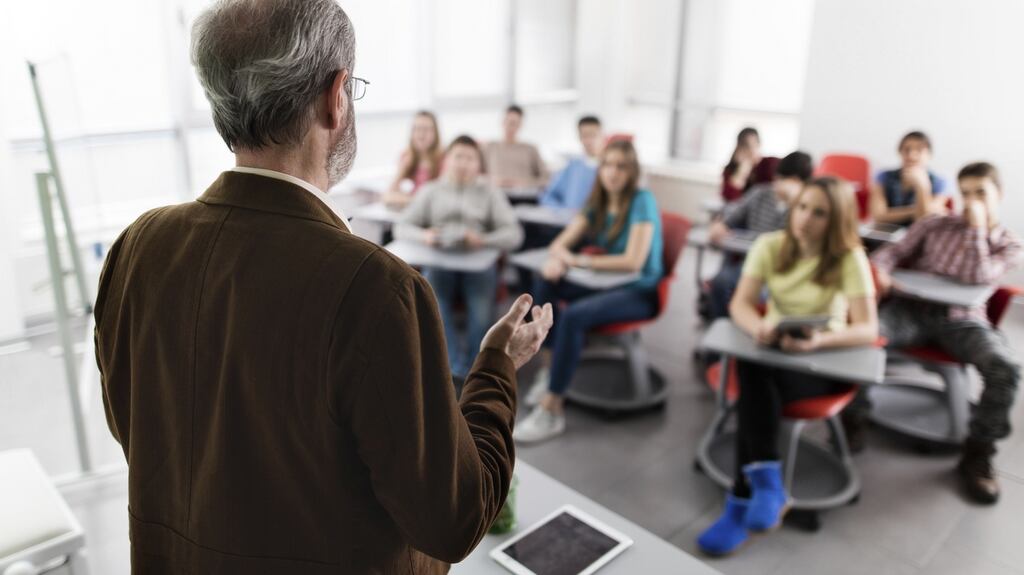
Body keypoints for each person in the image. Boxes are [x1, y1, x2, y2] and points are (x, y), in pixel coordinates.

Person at [93, 2, 552, 573]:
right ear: (337, 97)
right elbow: (453, 520)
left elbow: (136, 425)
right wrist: (496, 368)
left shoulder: (138, 247)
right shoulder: (376, 290)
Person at [697, 177, 878, 556]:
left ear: (837, 220)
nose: (805, 219)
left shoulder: (849, 257)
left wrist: (819, 340)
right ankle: (766, 486)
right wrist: (758, 326)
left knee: (753, 384)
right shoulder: (769, 245)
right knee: (754, 368)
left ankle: (742, 501)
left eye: (820, 213)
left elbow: (867, 328)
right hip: (775, 351)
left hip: (824, 362)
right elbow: (740, 305)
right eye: (802, 207)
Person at [860, 162, 1021, 504]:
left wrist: (977, 229)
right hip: (911, 311)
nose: (970, 201)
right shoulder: (934, 224)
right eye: (965, 193)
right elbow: (890, 252)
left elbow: (979, 276)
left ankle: (978, 455)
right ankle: (852, 421)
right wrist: (883, 272)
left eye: (980, 193)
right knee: (862, 337)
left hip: (962, 320)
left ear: (998, 194)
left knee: (1004, 368)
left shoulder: (1008, 244)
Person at [513, 140, 664, 444]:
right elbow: (559, 244)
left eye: (621, 166)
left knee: (573, 317)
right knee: (545, 279)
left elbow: (633, 261)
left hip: (639, 291)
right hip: (604, 283)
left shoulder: (642, 200)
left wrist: (579, 260)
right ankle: (549, 367)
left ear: (632, 171)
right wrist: (557, 260)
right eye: (607, 165)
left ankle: (552, 408)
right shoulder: (598, 201)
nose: (613, 173)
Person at [396, 135, 524, 377]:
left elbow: (514, 234)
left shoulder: (489, 192)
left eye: (470, 158)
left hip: (478, 262)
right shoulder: (431, 190)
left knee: (481, 314)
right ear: (447, 160)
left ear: (478, 164)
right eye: (458, 157)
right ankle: (455, 368)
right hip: (439, 260)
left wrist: (483, 240)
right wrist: (425, 235)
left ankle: (478, 368)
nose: (463, 163)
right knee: (432, 307)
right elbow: (401, 227)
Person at [706, 151, 814, 321]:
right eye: (780, 179)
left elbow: (800, 243)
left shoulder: (807, 207)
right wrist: (721, 225)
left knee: (766, 296)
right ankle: (722, 327)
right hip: (748, 261)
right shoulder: (760, 193)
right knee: (722, 282)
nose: (779, 185)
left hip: (782, 268)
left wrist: (795, 202)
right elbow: (732, 217)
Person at [869, 131, 949, 225]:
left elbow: (924, 219)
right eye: (907, 149)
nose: (912, 156)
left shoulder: (940, 182)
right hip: (888, 232)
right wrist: (919, 209)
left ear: (929, 154)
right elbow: (879, 216)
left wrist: (922, 185)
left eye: (919, 150)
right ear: (900, 152)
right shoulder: (884, 176)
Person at [382, 110, 444, 209]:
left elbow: (439, 200)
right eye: (417, 129)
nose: (421, 135)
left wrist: (408, 199)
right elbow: (388, 197)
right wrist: (404, 168)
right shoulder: (406, 157)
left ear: (435, 133)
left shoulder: (444, 159)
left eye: (426, 129)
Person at [539, 115, 603, 211]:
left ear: (602, 135)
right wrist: (561, 212)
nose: (589, 141)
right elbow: (548, 197)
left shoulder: (609, 167)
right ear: (579, 137)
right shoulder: (572, 166)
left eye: (593, 135)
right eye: (584, 136)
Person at [485, 104, 549, 192]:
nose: (508, 127)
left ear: (520, 125)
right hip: (496, 195)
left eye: (513, 123)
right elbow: (475, 175)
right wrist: (492, 181)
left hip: (523, 197)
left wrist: (525, 183)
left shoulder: (530, 149)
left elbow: (546, 179)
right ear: (502, 122)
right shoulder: (490, 147)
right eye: (506, 121)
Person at [721, 127, 779, 202]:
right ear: (738, 148)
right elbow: (730, 200)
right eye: (746, 147)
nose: (751, 151)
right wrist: (741, 173)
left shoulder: (770, 164)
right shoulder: (731, 168)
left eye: (754, 145)